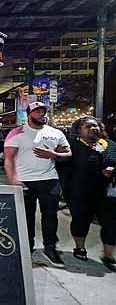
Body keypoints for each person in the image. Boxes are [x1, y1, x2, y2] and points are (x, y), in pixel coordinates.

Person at [4, 101, 72, 267]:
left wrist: (53, 154)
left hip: (49, 179)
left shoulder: (55, 133)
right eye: (38, 111)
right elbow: (9, 158)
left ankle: (50, 248)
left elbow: (68, 154)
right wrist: (12, 180)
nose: (42, 114)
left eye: (43, 111)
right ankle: (27, 246)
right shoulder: (16, 132)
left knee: (50, 217)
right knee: (26, 216)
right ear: (29, 114)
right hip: (25, 181)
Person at [60, 116, 116, 271]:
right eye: (89, 126)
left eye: (96, 126)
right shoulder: (72, 146)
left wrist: (113, 170)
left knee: (111, 223)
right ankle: (80, 247)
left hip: (106, 194)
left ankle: (108, 255)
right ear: (79, 130)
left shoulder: (110, 145)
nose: (94, 129)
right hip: (79, 192)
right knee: (80, 221)